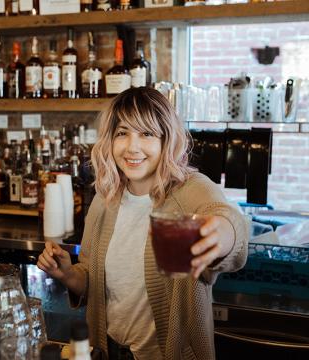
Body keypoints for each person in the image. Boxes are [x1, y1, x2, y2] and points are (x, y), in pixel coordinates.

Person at [37, 87, 249, 360]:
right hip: (107, 349)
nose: (132, 147)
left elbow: (229, 220)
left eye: (147, 134)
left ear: (167, 140)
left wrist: (222, 233)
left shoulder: (189, 190)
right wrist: (66, 274)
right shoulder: (106, 197)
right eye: (122, 133)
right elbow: (92, 280)